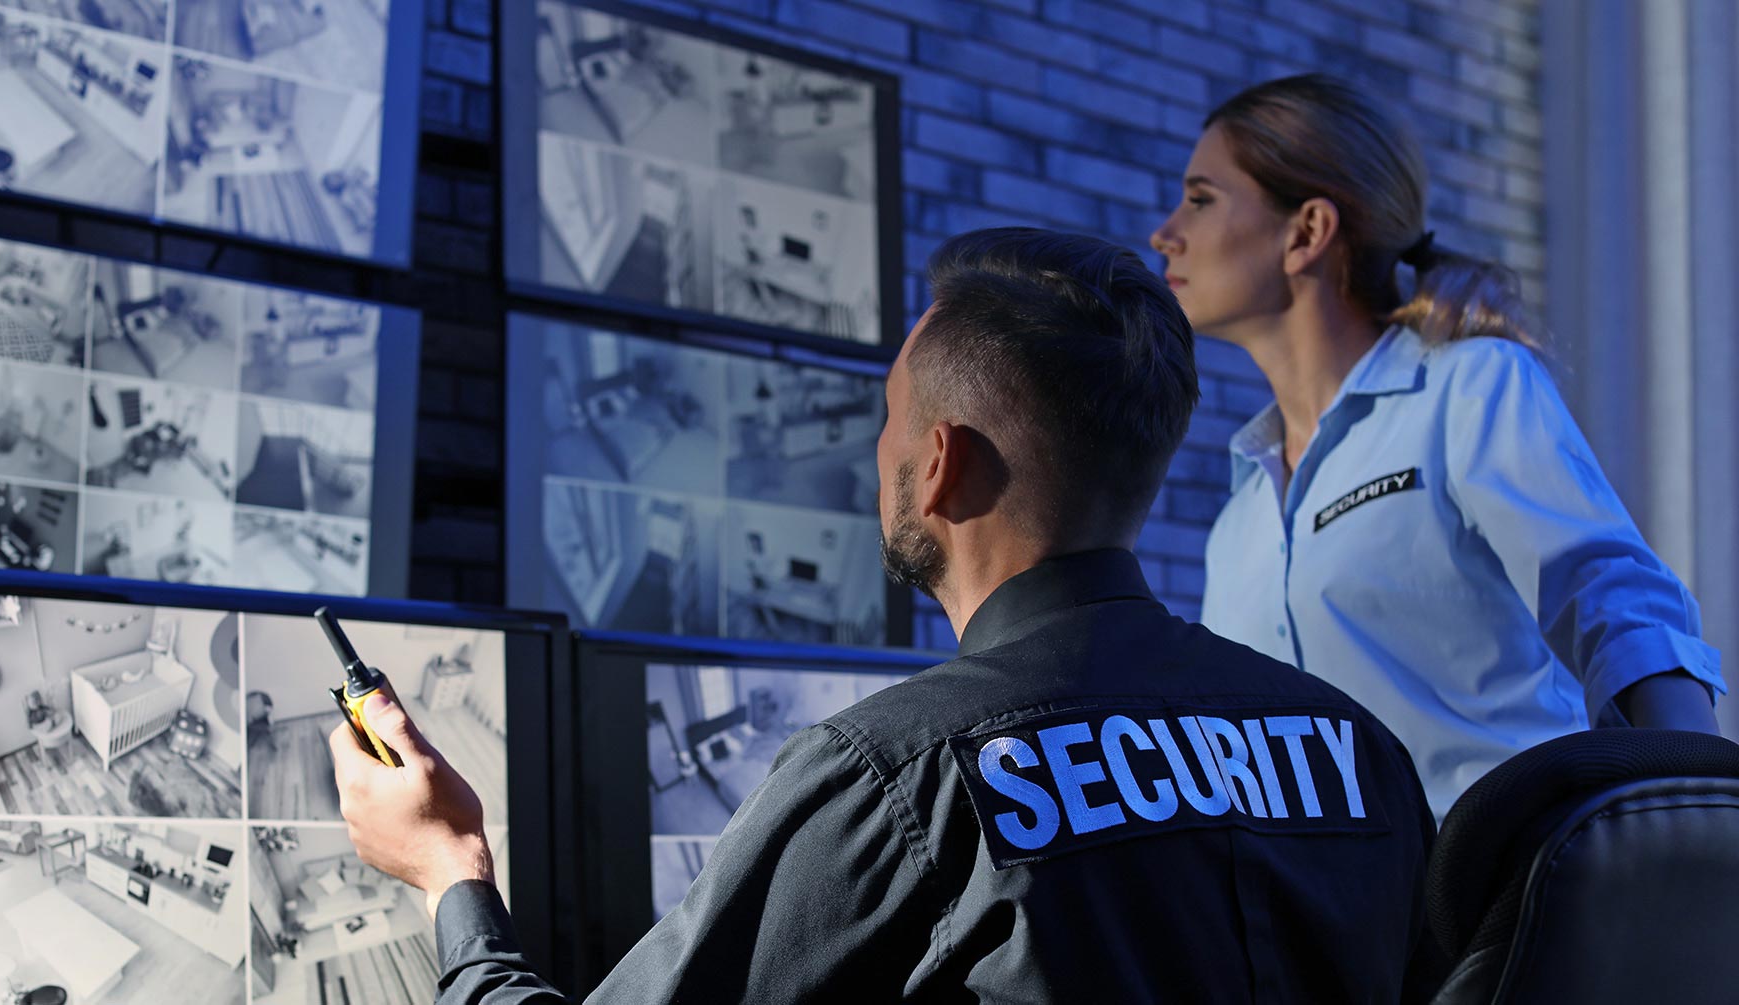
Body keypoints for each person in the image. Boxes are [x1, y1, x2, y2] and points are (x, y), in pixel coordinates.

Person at [332, 228, 1436, 1003]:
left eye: (893, 420)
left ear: (940, 466)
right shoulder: (1360, 752)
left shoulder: (896, 776)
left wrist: (451, 876)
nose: (879, 452)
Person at [1149, 74, 1725, 820]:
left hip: (1507, 909)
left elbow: (1611, 595)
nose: (1165, 232)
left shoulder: (1469, 388)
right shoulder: (1240, 518)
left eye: (1200, 198)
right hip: (1330, 927)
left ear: (1307, 231)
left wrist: (1704, 817)